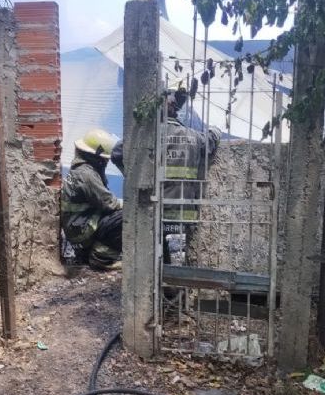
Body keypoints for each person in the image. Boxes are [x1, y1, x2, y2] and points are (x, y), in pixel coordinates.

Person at [111, 88, 219, 264]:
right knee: (179, 258)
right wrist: (215, 131)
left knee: (153, 257)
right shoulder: (192, 136)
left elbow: (117, 152)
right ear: (176, 111)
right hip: (183, 213)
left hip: (153, 208)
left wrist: (134, 177)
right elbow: (209, 141)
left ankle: (157, 285)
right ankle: (176, 287)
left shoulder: (146, 137)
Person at [61, 129, 123, 271]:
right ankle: (101, 258)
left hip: (79, 228)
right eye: (105, 158)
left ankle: (94, 252)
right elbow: (109, 203)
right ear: (96, 156)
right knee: (125, 216)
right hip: (82, 231)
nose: (106, 162)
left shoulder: (81, 169)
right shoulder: (87, 174)